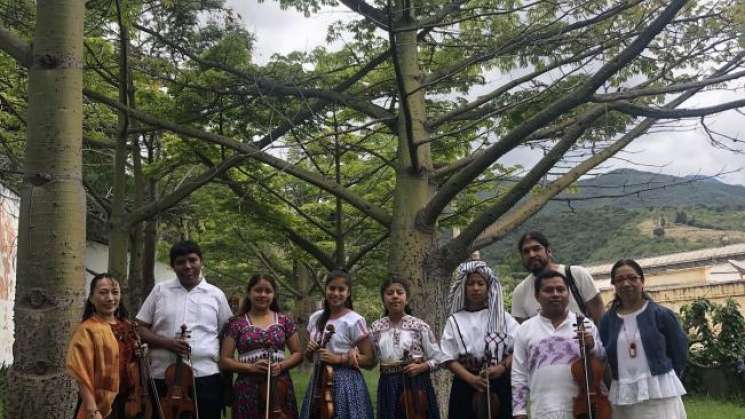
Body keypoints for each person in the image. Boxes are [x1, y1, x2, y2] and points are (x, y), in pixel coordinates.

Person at [136, 240, 233, 419]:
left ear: (201, 262)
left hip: (205, 377)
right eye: (180, 262)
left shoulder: (216, 295)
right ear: (173, 266)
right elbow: (139, 329)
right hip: (163, 377)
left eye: (192, 260)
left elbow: (227, 335)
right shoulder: (160, 291)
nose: (187, 266)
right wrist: (167, 343)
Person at [511, 269, 606, 419]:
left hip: (584, 409)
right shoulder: (525, 329)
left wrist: (592, 346)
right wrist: (519, 411)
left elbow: (602, 360)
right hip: (542, 410)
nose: (555, 294)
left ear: (568, 295)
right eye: (548, 290)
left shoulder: (585, 324)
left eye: (560, 290)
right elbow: (519, 373)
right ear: (537, 296)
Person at [599, 259, 688, 419]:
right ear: (614, 285)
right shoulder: (607, 321)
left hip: (657, 390)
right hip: (623, 392)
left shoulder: (661, 314)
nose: (626, 283)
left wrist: (662, 375)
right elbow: (604, 354)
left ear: (642, 281)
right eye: (619, 280)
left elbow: (679, 351)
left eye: (632, 278)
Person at [440, 260, 519, 419]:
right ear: (464, 288)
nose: (475, 288)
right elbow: (447, 357)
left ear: (488, 288)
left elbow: (520, 347)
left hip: (498, 382)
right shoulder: (454, 320)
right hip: (465, 383)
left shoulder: (503, 318)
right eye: (470, 284)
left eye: (480, 283)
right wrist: (471, 379)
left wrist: (502, 367)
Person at [219, 273, 303, 419]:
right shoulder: (236, 323)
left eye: (268, 291)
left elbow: (298, 354)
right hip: (247, 389)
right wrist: (251, 367)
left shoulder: (284, 321)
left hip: (279, 388)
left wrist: (281, 366)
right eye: (258, 290)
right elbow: (225, 360)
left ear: (274, 294)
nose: (263, 295)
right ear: (249, 293)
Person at [66, 273, 144, 419]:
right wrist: (92, 411)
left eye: (115, 293)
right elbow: (82, 375)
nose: (110, 298)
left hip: (131, 405)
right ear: (91, 297)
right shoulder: (87, 330)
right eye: (103, 293)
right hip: (101, 406)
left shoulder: (127, 326)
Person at [299, 270, 375, 419]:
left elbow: (370, 360)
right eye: (332, 288)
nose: (336, 293)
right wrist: (309, 352)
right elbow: (309, 359)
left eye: (341, 289)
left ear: (348, 293)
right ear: (325, 290)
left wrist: (339, 359)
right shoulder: (315, 318)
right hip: (319, 381)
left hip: (347, 382)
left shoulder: (354, 320)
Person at [370, 278, 444, 419]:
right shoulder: (375, 327)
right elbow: (370, 357)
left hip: (416, 384)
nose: (395, 296)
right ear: (383, 299)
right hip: (388, 385)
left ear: (407, 298)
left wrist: (423, 366)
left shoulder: (419, 326)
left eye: (400, 292)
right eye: (390, 293)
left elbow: (440, 359)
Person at [512, 231, 604, 323]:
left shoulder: (576, 274)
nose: (531, 254)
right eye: (526, 251)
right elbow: (523, 332)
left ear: (549, 251)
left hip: (583, 336)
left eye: (536, 249)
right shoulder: (520, 292)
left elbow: (599, 317)